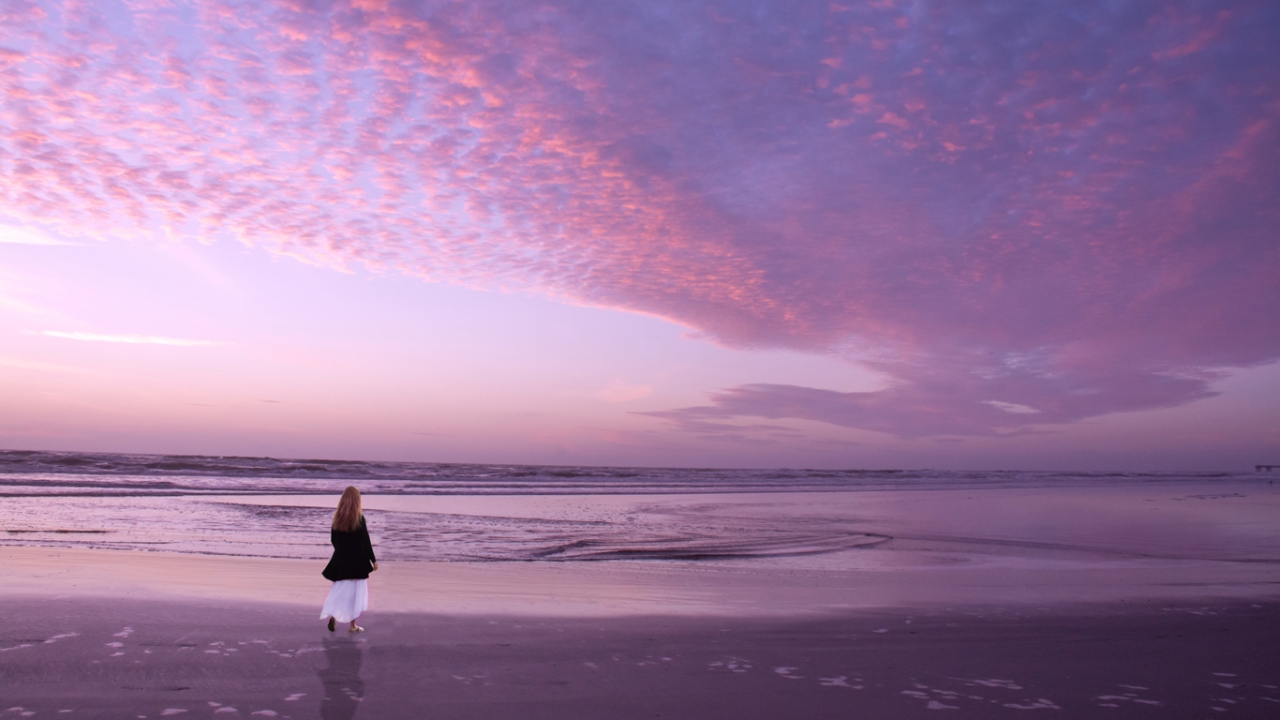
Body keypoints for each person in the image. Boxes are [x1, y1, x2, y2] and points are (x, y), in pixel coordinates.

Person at [320, 486, 378, 633]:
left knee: (339, 589)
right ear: (357, 501)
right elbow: (365, 540)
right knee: (355, 593)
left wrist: (341, 553)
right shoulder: (359, 518)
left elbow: (334, 540)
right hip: (358, 560)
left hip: (341, 559)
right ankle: (353, 626)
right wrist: (373, 560)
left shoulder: (337, 518)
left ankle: (332, 615)